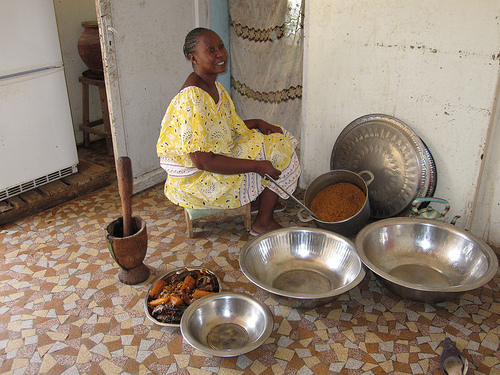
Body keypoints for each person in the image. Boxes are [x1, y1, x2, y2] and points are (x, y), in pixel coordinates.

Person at [156, 27, 301, 235]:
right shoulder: (192, 98)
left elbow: (228, 127)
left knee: (279, 137)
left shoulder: (214, 87)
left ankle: (265, 198)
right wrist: (257, 166)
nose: (220, 54)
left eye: (221, 47)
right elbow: (203, 161)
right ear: (193, 58)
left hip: (215, 155)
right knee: (274, 152)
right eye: (211, 50)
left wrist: (259, 122)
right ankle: (264, 222)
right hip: (196, 177)